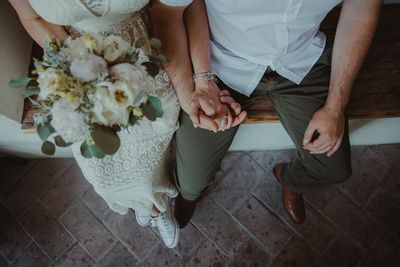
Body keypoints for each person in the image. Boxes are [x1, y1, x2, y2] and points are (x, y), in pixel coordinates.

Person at [9, 0, 245, 248]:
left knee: (152, 154)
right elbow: (32, 18)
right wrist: (76, 65)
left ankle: (155, 205)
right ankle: (140, 203)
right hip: (77, 65)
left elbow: (176, 11)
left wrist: (196, 89)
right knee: (100, 170)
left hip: (149, 58)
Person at [169, 0, 383, 227]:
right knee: (191, 181)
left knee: (333, 170)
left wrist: (336, 104)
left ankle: (292, 181)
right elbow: (184, 6)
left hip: (301, 61)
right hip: (220, 63)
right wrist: (203, 80)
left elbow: (362, 7)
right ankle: (189, 195)